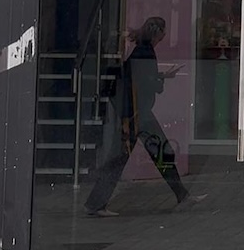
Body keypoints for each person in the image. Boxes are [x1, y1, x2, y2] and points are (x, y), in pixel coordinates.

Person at [84, 16, 204, 217]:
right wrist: (161, 81)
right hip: (136, 116)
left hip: (135, 114)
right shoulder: (146, 53)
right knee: (136, 156)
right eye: (164, 31)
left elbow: (140, 79)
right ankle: (96, 204)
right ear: (158, 33)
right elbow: (148, 85)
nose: (165, 35)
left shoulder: (141, 51)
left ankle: (182, 195)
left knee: (156, 152)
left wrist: (162, 76)